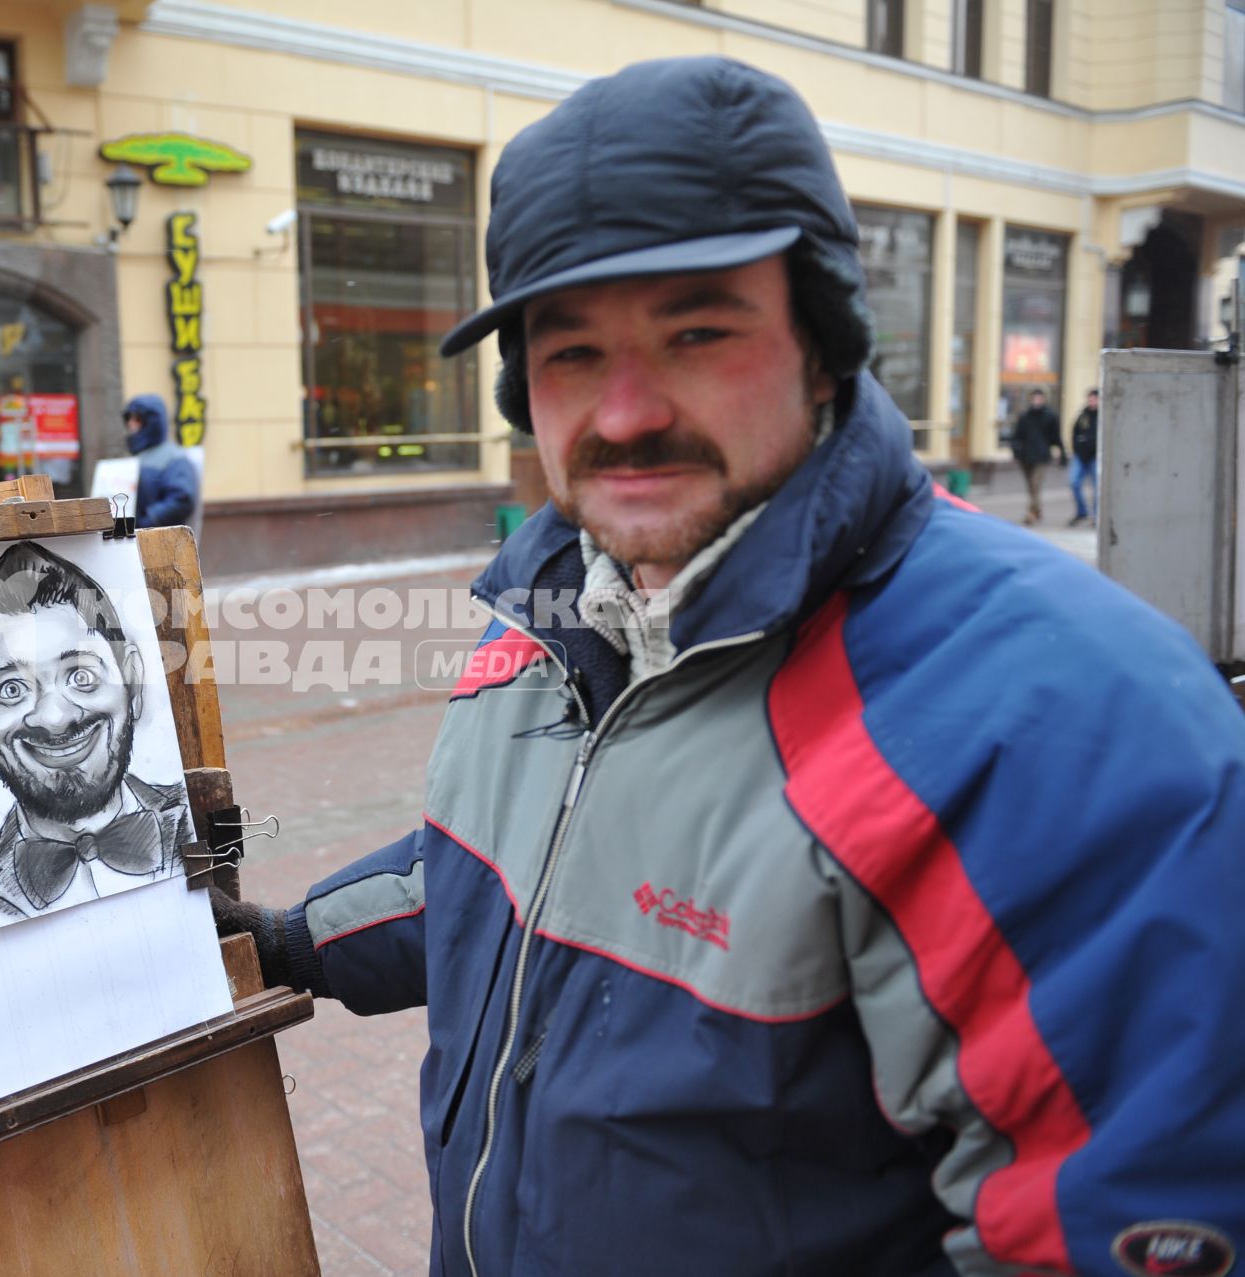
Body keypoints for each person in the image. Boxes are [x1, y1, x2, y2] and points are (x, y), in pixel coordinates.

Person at [216, 57, 1245, 1275]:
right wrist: (282, 943)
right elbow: (500, 869)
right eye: (571, 352)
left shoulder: (1070, 719)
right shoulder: (558, 613)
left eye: (698, 329)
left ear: (825, 341)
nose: (626, 411)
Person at [0, 541, 194, 923]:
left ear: (131, 680)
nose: (55, 718)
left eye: (81, 676)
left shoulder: (195, 823)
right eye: (12, 689)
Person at [123, 393, 199, 529]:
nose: (130, 423)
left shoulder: (173, 456)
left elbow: (182, 498)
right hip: (137, 538)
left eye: (137, 419)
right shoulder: (138, 457)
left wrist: (149, 520)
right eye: (129, 418)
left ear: (152, 421)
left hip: (162, 540)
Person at [1011, 387, 1065, 524]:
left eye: (1039, 398)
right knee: (1030, 486)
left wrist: (1062, 453)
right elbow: (1017, 435)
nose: (1036, 401)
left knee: (1036, 485)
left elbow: (1056, 436)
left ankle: (1031, 513)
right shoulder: (1025, 416)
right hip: (1025, 456)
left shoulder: (1050, 416)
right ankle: (1037, 510)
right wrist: (1016, 451)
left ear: (1043, 399)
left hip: (1041, 457)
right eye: (1034, 398)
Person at [1070, 386, 1100, 525]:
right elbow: (1075, 433)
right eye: (1090, 399)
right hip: (1081, 456)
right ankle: (1082, 512)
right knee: (1074, 482)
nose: (1091, 402)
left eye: (1094, 399)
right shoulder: (1083, 416)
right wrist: (1077, 448)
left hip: (1096, 457)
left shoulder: (1103, 416)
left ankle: (1095, 515)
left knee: (1097, 487)